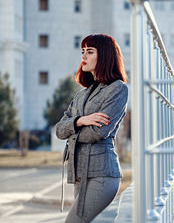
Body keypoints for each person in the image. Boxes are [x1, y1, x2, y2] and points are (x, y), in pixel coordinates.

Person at [55, 34, 128, 223]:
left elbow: (98, 132)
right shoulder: (81, 95)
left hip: (102, 175)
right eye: (82, 52)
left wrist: (72, 131)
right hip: (80, 175)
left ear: (103, 56)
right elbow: (59, 130)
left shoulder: (117, 89)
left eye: (90, 51)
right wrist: (81, 120)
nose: (83, 57)